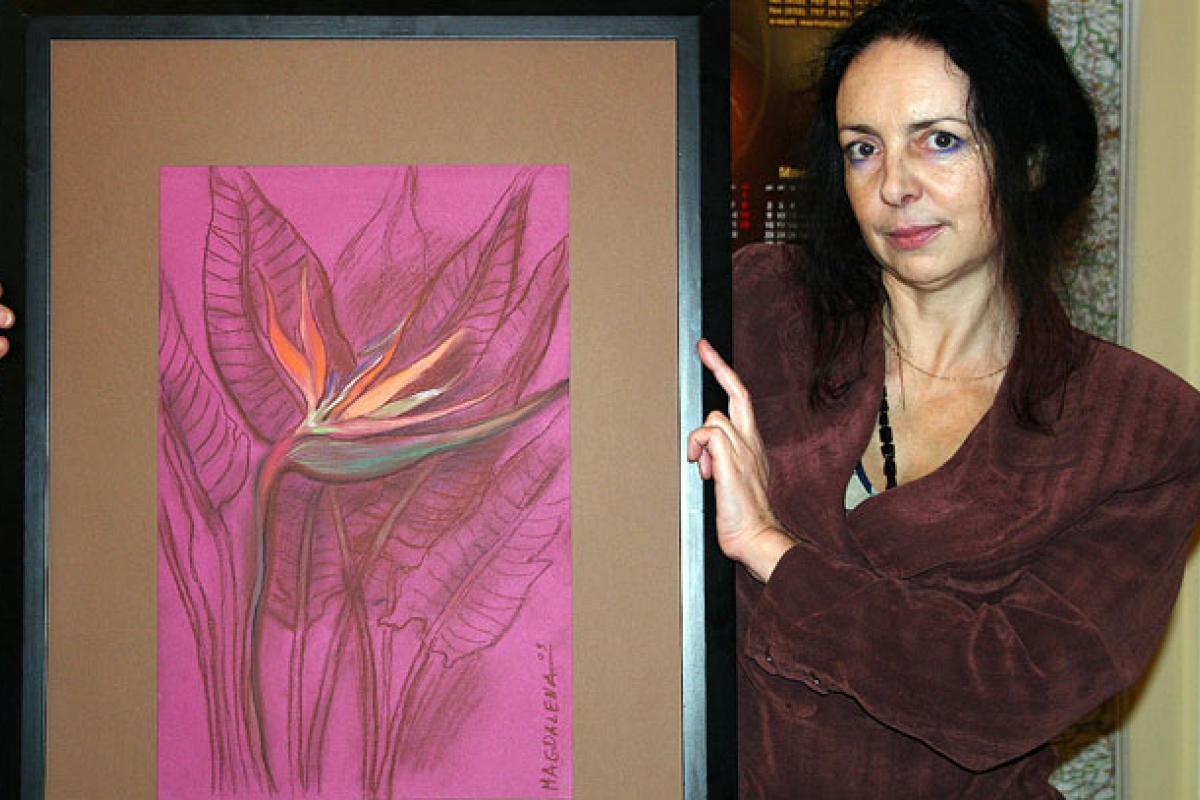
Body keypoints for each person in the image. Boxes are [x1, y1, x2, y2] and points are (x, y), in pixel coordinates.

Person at [687, 0, 1200, 797]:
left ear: (1033, 158)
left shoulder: (1139, 428)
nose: (894, 186)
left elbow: (1007, 694)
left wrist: (770, 550)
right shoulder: (759, 311)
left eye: (941, 140)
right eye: (863, 149)